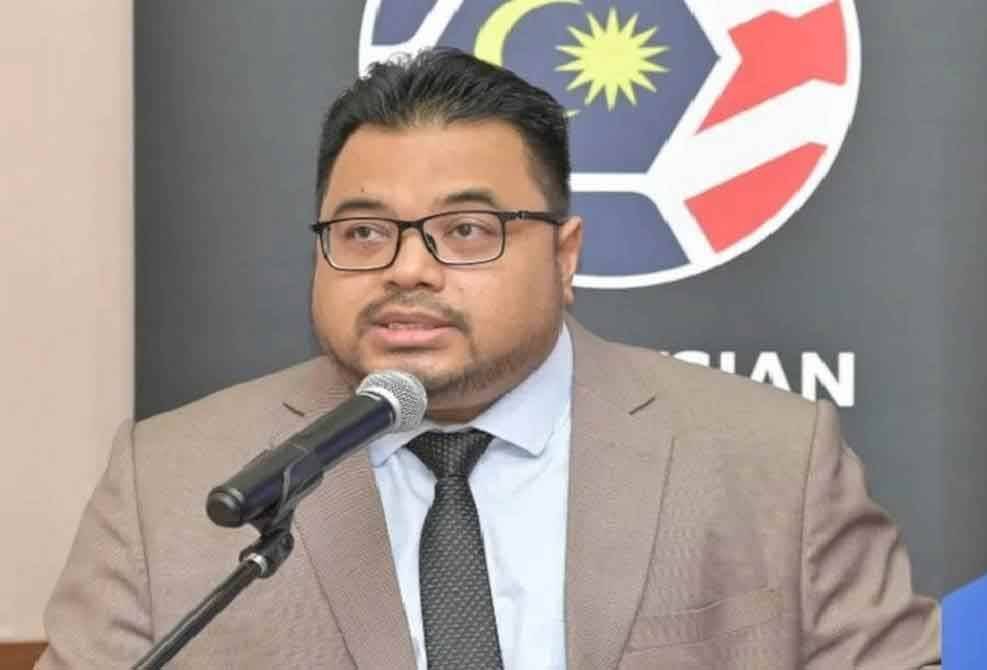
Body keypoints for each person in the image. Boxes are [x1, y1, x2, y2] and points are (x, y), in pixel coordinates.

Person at [37, 47, 940, 669]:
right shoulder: (171, 482)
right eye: (364, 233)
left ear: (565, 255)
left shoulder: (772, 459)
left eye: (467, 230)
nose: (407, 269)